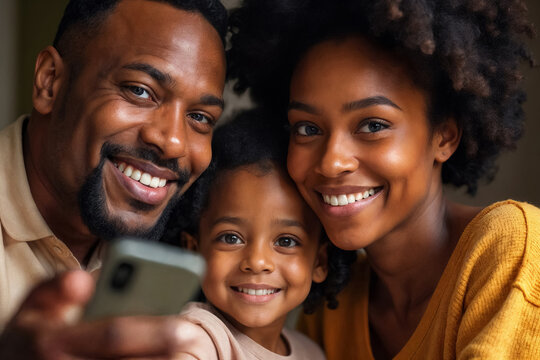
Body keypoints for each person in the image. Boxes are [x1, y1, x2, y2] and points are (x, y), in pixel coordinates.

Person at [228, 0, 540, 359]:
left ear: (445, 137)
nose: (331, 162)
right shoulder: (336, 302)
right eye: (308, 128)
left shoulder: (511, 248)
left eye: (373, 125)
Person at [0, 0, 227, 357]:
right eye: (140, 90)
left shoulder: (180, 254)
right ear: (49, 82)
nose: (173, 142)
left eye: (200, 117)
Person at [161, 109, 356, 359]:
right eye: (231, 238)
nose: (257, 262)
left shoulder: (312, 353)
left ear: (319, 261)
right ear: (194, 250)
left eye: (286, 241)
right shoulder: (195, 340)